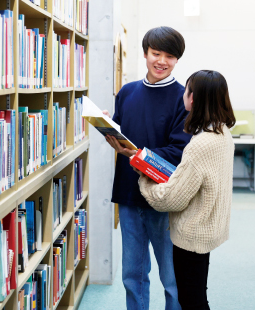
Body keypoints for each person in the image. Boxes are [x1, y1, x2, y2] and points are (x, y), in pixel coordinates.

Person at [103, 26, 191, 310]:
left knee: (172, 277)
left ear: (177, 59)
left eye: (170, 56)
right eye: (156, 53)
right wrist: (108, 129)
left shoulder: (184, 99)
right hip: (128, 195)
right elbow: (122, 140)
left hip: (164, 199)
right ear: (145, 54)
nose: (162, 61)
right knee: (132, 275)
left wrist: (139, 154)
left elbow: (180, 151)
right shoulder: (127, 92)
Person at [135, 70, 236, 310]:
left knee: (191, 300)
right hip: (209, 228)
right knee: (198, 292)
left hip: (192, 234)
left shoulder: (200, 144)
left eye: (187, 90)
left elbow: (171, 200)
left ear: (193, 98)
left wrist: (144, 179)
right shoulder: (222, 132)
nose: (184, 94)